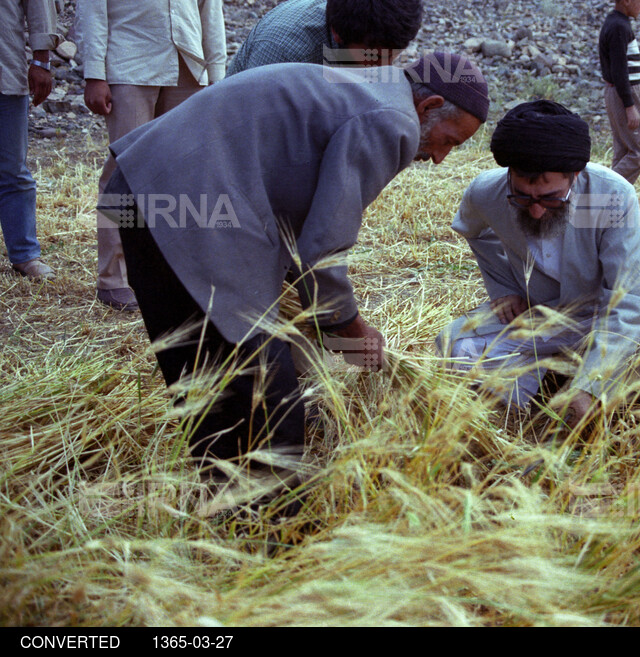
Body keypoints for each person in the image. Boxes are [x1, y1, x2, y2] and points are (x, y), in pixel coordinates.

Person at [98, 53, 488, 474]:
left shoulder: (366, 85)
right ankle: (270, 526)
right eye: (450, 140)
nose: (440, 158)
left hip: (138, 189)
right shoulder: (391, 119)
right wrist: (348, 329)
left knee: (205, 381)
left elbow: (293, 208)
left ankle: (223, 502)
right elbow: (322, 250)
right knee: (268, 404)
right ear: (428, 107)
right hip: (191, 211)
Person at [436, 101, 640, 425]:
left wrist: (591, 385)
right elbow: (475, 232)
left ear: (575, 175)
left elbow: (630, 298)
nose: (536, 211)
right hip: (547, 316)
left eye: (550, 198)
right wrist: (503, 287)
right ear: (510, 177)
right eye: (523, 197)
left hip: (608, 309)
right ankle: (532, 394)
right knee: (456, 344)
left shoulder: (609, 195)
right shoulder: (487, 192)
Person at [78, 0, 227, 311]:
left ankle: (177, 274)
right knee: (125, 173)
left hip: (189, 67)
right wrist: (94, 73)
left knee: (182, 174)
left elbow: (209, 11)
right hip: (130, 64)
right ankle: (113, 279)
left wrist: (218, 75)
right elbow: (93, 10)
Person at [1, 0, 60, 280]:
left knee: (13, 170)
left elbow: (39, 5)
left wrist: (41, 60)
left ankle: (25, 255)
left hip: (4, 73)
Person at [228, 0, 422, 75]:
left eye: (393, 56)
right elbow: (253, 130)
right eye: (375, 58)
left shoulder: (364, 33)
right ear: (337, 33)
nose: (383, 69)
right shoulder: (284, 51)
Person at [599, 0, 640, 184]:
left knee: (623, 151)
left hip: (618, 91)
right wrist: (629, 105)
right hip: (625, 91)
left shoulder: (617, 22)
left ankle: (612, 205)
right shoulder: (618, 27)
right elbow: (619, 70)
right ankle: (603, 190)